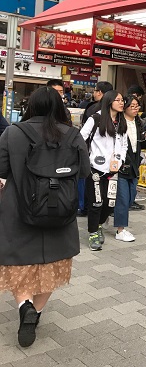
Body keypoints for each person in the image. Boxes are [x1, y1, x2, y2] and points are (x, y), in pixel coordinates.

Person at [0, 87, 90, 348]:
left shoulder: (13, 133)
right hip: (59, 210)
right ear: (60, 108)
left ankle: (24, 305)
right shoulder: (73, 135)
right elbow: (83, 171)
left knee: (19, 263)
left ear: (31, 106)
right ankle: (35, 314)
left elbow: (1, 169)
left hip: (18, 210)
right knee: (53, 266)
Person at [80, 90, 128, 251]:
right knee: (96, 202)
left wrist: (120, 161)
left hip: (113, 170)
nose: (122, 103)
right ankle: (93, 233)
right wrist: (87, 160)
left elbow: (124, 145)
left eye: (122, 100)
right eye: (118, 100)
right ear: (109, 102)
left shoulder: (122, 121)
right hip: (94, 169)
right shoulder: (96, 118)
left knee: (109, 203)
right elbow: (81, 138)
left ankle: (99, 224)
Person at [113, 96, 146, 242]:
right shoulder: (118, 122)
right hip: (121, 165)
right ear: (125, 107)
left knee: (130, 196)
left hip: (134, 165)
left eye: (137, 106)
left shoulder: (138, 123)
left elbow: (142, 144)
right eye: (132, 106)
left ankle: (108, 215)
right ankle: (120, 229)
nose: (136, 109)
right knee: (122, 197)